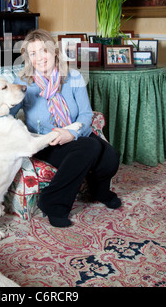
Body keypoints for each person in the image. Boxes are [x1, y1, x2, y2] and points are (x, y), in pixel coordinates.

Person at [10, 29, 121, 228]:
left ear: (53, 52)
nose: (40, 58)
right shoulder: (23, 83)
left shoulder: (74, 77)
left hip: (76, 134)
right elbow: (9, 113)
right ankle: (53, 203)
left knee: (110, 155)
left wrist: (71, 133)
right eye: (33, 54)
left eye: (43, 51)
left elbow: (86, 114)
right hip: (47, 142)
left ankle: (100, 191)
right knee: (91, 147)